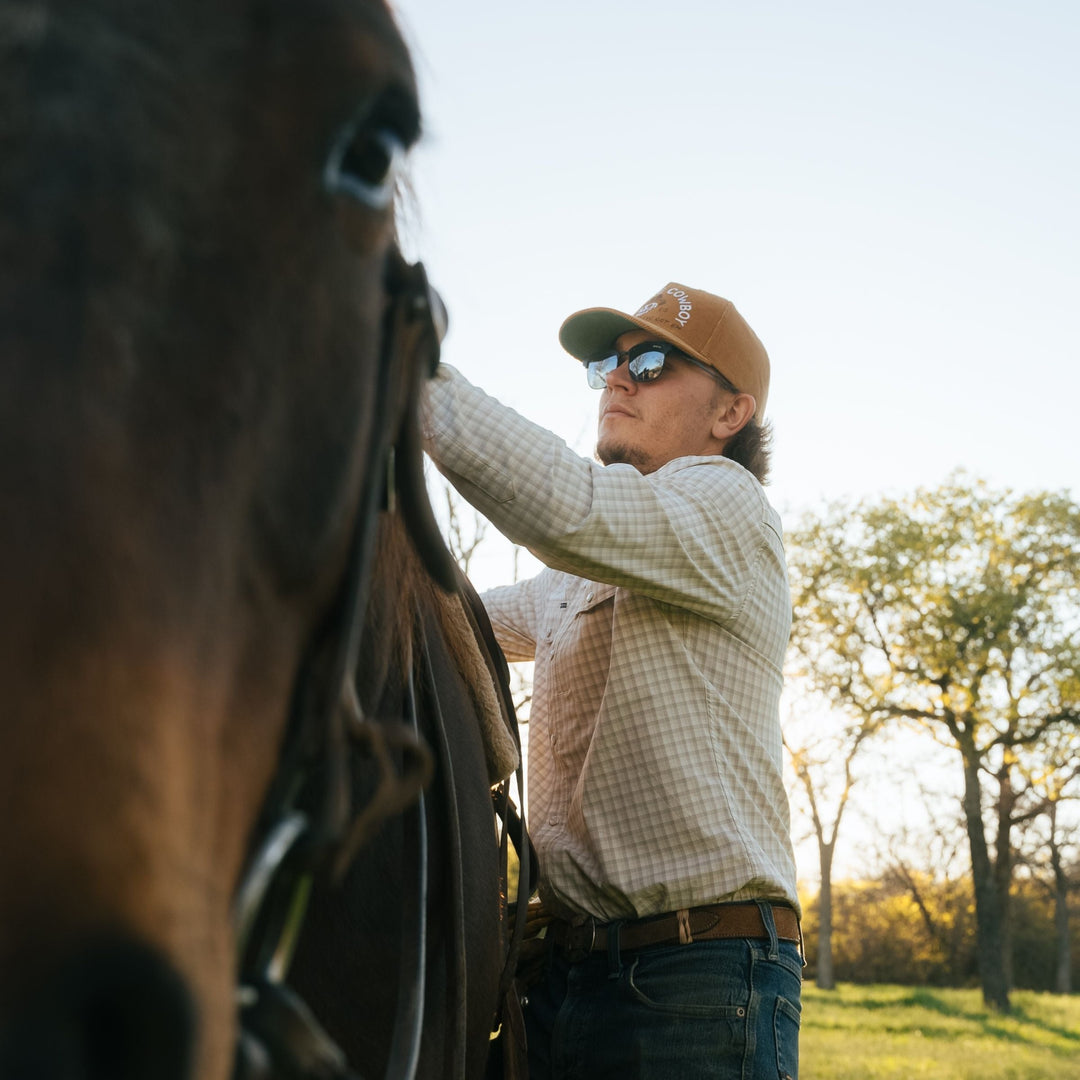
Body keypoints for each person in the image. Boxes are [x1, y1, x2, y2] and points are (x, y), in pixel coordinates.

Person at [424, 281, 802, 1080]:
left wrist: (403, 369)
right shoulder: (581, 572)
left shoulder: (727, 505)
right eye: (611, 364)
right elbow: (455, 625)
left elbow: (569, 511)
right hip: (565, 979)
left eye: (654, 361)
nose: (620, 380)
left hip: (697, 979)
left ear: (729, 415)